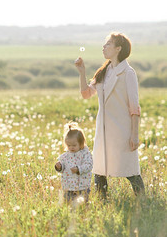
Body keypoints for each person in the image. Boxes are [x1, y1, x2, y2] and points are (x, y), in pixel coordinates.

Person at [75, 32, 145, 199]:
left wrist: (134, 135)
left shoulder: (128, 73)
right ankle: (102, 201)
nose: (104, 47)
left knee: (129, 169)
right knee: (100, 169)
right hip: (104, 129)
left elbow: (134, 107)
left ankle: (143, 201)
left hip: (122, 129)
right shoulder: (104, 71)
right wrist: (82, 72)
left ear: (118, 49)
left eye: (108, 44)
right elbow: (86, 93)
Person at [55, 122, 93, 202]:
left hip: (82, 185)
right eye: (69, 145)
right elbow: (63, 166)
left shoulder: (85, 154)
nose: (71, 147)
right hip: (68, 186)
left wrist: (79, 169)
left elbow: (89, 165)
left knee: (83, 203)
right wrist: (59, 166)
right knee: (68, 203)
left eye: (74, 145)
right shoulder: (65, 156)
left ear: (81, 143)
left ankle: (83, 212)